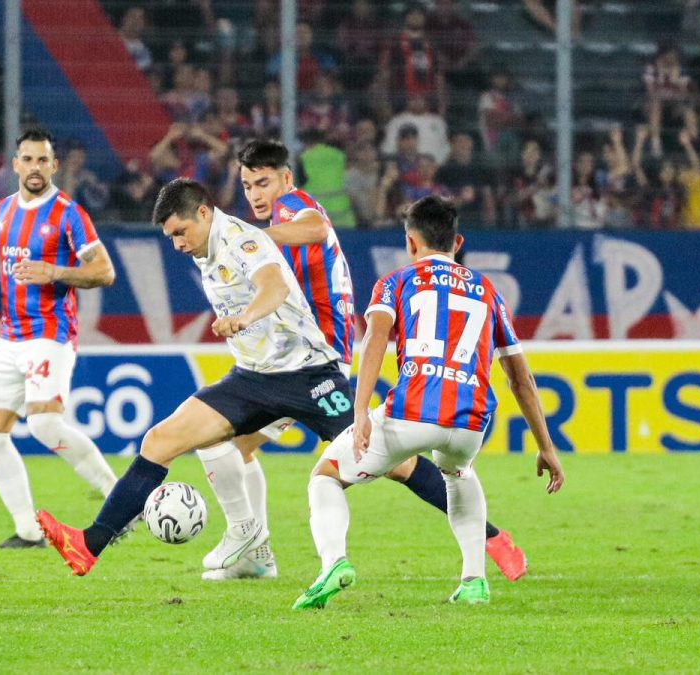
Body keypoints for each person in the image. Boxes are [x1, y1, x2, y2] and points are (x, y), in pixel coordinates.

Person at [201, 139, 525, 582]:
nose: (256, 194)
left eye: (264, 183)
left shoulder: (293, 206)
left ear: (286, 179)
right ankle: (256, 554)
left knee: (388, 463)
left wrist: (247, 239)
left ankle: (491, 537)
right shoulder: (279, 219)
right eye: (247, 185)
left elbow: (314, 228)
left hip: (318, 361)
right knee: (240, 445)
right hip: (300, 356)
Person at [35, 178, 354, 577]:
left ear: (203, 213)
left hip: (307, 372)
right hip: (257, 378)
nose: (177, 245)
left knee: (392, 459)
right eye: (170, 237)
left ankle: (456, 506)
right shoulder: (211, 248)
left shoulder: (245, 237)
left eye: (180, 233)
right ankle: (90, 544)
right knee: (166, 440)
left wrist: (244, 316)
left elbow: (276, 282)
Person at [292, 196, 565, 610]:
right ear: (457, 241)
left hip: (413, 412)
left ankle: (334, 563)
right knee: (459, 474)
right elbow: (520, 378)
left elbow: (375, 340)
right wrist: (546, 446)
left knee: (326, 475)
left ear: (411, 243)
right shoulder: (488, 290)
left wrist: (361, 411)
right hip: (471, 421)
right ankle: (474, 581)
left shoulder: (396, 281)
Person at [0, 128, 119, 548]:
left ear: (54, 165)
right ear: (14, 164)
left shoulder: (69, 214)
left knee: (45, 424)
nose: (35, 168)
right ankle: (28, 530)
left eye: (43, 160)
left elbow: (104, 272)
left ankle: (120, 499)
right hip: (10, 338)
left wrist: (55, 272)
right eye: (27, 160)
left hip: (49, 334)